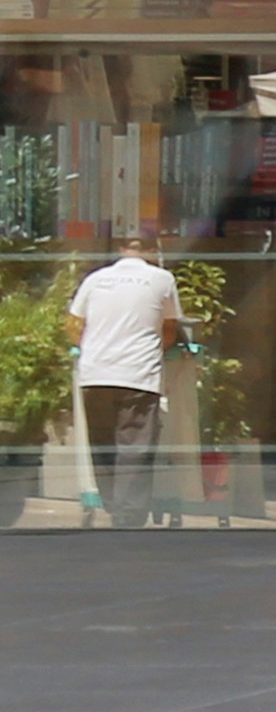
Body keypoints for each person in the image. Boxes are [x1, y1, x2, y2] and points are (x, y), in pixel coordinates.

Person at [57, 218, 179, 526]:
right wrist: (152, 349)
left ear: (121, 248)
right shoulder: (162, 279)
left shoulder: (95, 279)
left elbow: (73, 325)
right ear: (153, 249)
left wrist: (90, 347)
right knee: (135, 447)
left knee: (103, 444)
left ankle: (113, 505)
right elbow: (170, 329)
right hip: (138, 375)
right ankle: (129, 516)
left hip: (95, 374)